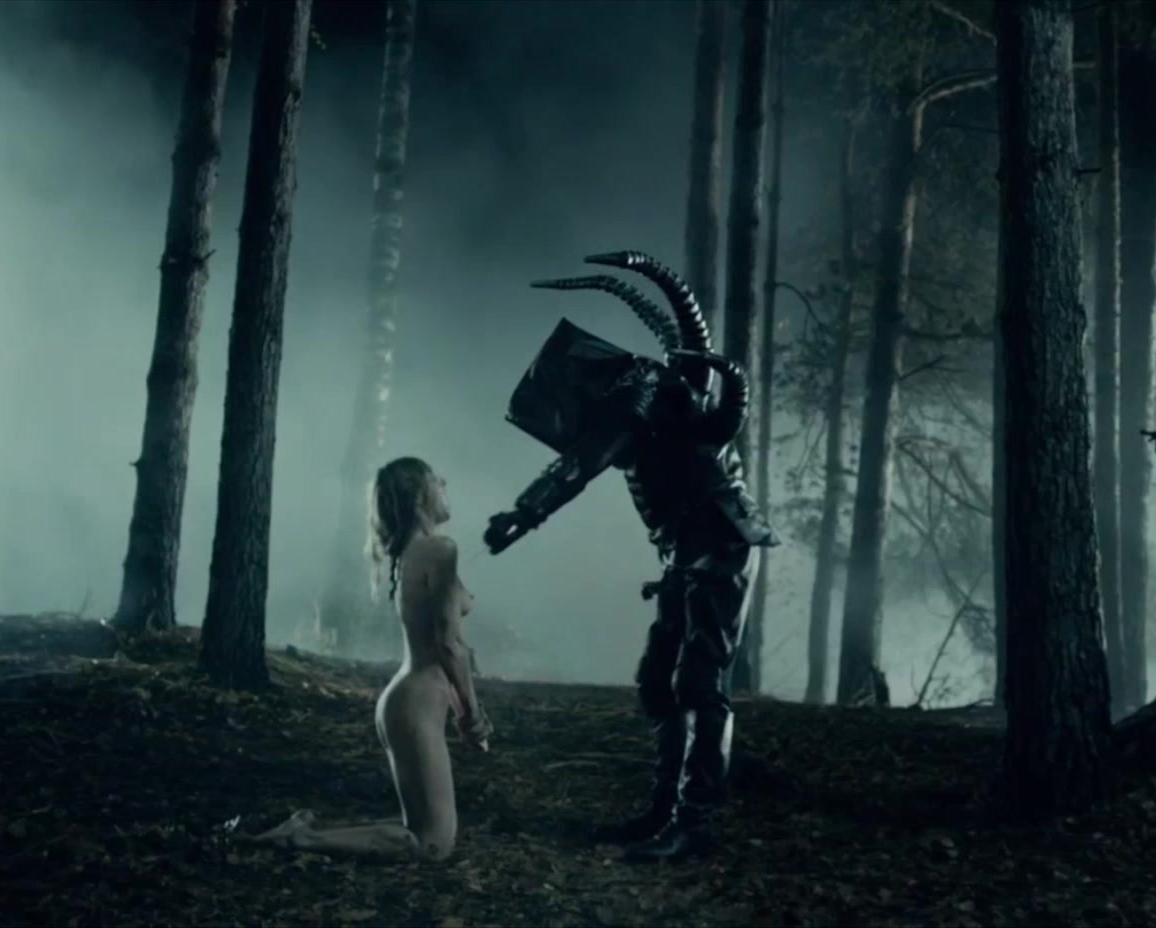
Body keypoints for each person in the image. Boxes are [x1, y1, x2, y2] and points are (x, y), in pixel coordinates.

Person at [484, 251, 775, 863]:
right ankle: (665, 809)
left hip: (718, 548)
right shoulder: (645, 392)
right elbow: (590, 456)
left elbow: (583, 461)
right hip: (685, 552)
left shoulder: (640, 392)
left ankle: (694, 821)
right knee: (657, 681)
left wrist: (524, 513)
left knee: (699, 685)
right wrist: (525, 513)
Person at [254, 457, 491, 861]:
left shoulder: (414, 552)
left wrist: (462, 707)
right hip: (415, 704)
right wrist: (471, 712)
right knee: (433, 845)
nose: (445, 482)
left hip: (409, 701)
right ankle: (301, 840)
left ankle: (302, 833)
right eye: (436, 479)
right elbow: (449, 643)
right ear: (419, 496)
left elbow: (443, 641)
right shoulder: (439, 549)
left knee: (423, 829)